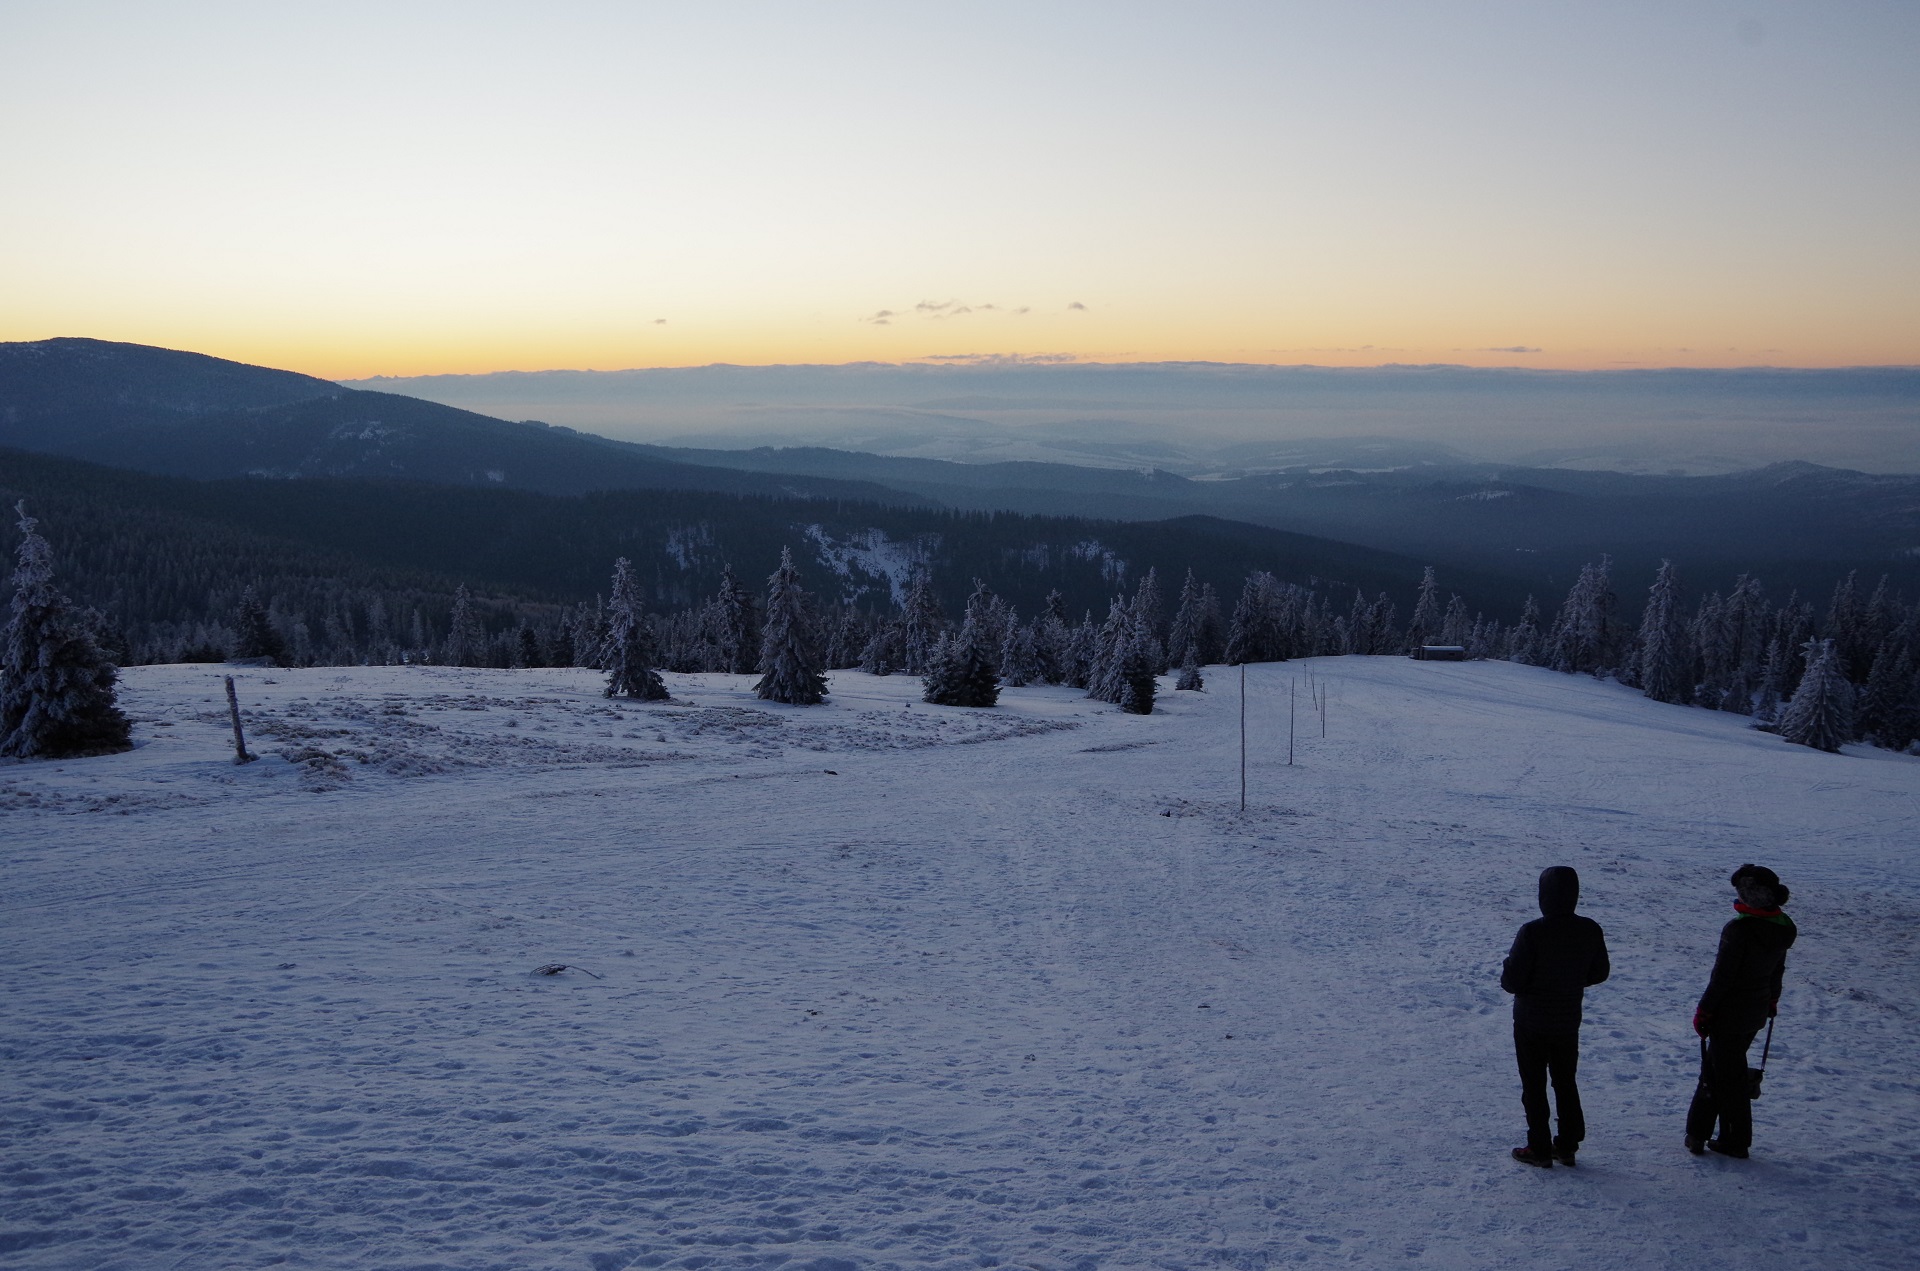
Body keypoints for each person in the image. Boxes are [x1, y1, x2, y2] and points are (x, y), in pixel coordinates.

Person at [1500, 866, 1611, 1168]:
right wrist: (1571, 981)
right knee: (1565, 1081)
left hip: (1530, 1022)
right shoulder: (1589, 929)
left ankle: (1539, 1147)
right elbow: (1600, 972)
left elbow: (1512, 981)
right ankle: (1568, 1145)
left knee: (1533, 1085)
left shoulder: (1533, 931)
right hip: (1566, 1021)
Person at [1685, 864, 1796, 1159]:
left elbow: (1722, 977)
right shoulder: (1781, 926)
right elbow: (1777, 971)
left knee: (1719, 1077)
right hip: (1755, 1011)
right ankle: (1703, 1134)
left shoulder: (1739, 929)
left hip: (1729, 1014)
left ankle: (1728, 1139)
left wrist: (1704, 1011)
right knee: (1722, 1073)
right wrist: (1772, 1000)